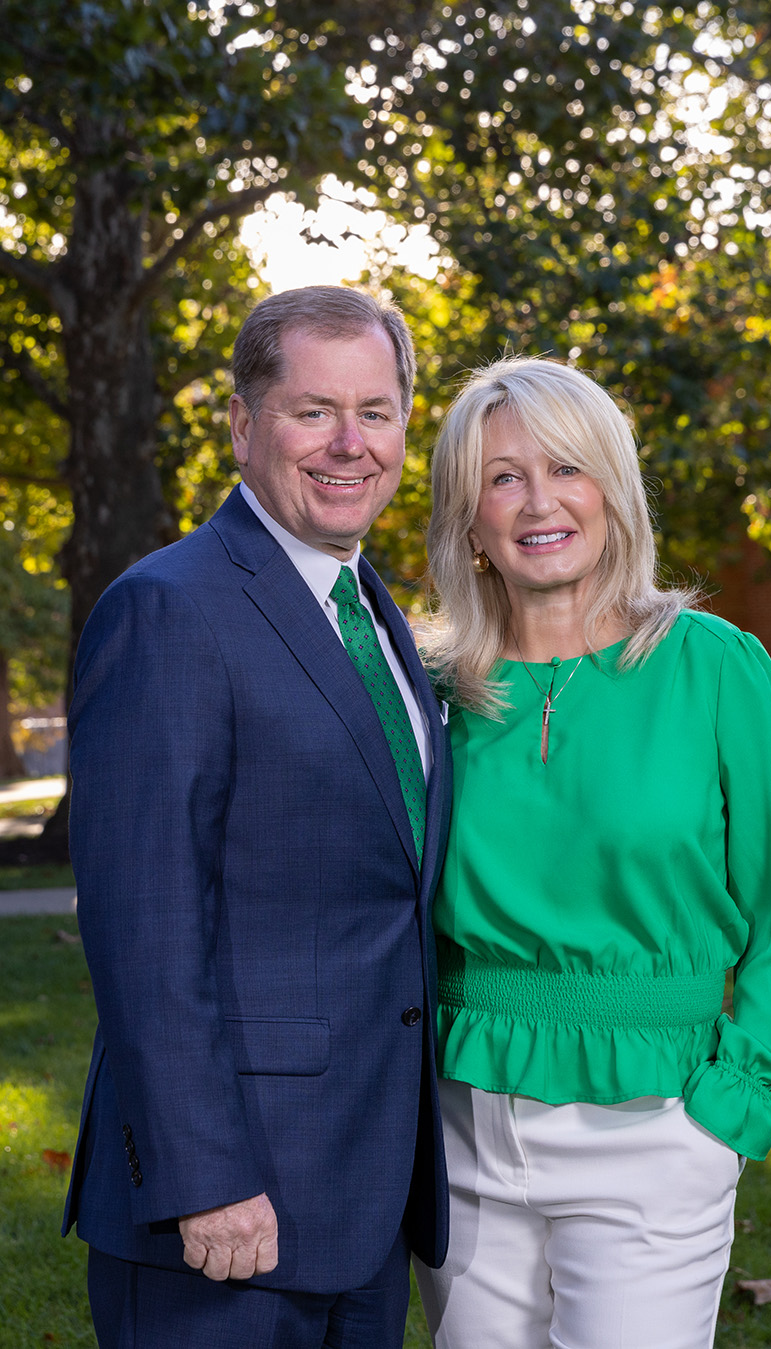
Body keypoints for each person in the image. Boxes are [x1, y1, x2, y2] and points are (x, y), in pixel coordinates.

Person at [413, 355, 771, 1349]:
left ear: (614, 490)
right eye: (503, 476)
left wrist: (725, 1112)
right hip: (459, 1124)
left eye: (568, 467)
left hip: (655, 1128)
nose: (539, 500)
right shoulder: (426, 688)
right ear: (468, 517)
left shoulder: (716, 667)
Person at [62, 286, 451, 1349]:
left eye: (376, 412)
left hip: (364, 1196)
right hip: (228, 1211)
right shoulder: (171, 607)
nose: (349, 443)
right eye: (312, 409)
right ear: (242, 424)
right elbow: (145, 919)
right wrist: (205, 1175)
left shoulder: (374, 611)